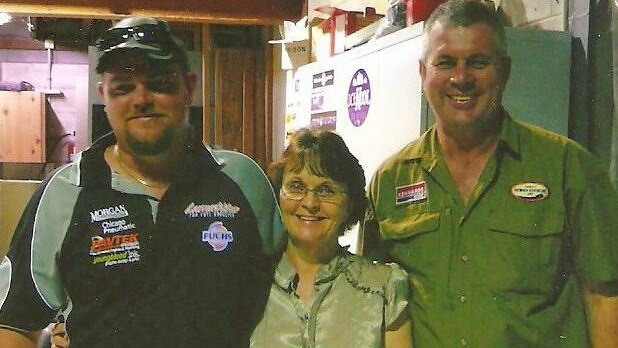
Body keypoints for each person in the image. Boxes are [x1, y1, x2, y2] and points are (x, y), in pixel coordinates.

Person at [0, 17, 283, 348]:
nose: (141, 98)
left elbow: (293, 287)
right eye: (123, 87)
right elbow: (15, 325)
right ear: (104, 95)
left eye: (160, 82)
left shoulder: (243, 180)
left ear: (189, 87)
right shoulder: (64, 192)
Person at [361, 0, 618, 347]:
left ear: (505, 71)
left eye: (478, 63)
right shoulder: (390, 182)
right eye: (446, 62)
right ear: (423, 74)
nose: (461, 78)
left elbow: (605, 297)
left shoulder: (568, 169)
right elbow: (374, 303)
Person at [250, 128, 412, 348]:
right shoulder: (248, 283)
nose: (310, 203)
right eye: (296, 187)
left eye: (326, 190)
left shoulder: (383, 288)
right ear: (279, 194)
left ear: (350, 204)